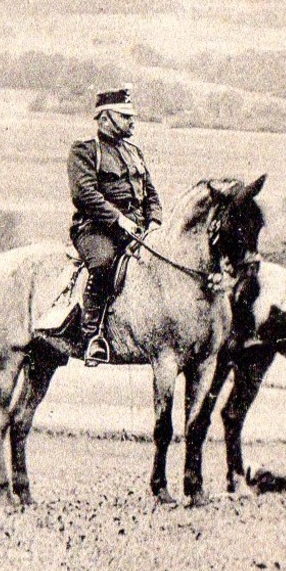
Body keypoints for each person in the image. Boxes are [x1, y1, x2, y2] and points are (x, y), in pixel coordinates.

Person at [68, 86, 161, 365]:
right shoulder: (85, 151)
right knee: (103, 262)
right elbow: (85, 194)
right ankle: (92, 336)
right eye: (125, 116)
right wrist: (120, 220)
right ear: (106, 117)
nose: (132, 122)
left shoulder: (135, 152)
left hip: (140, 231)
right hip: (97, 229)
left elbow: (151, 194)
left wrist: (154, 221)